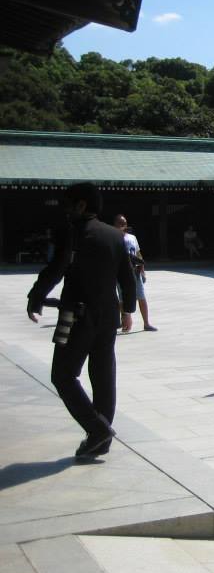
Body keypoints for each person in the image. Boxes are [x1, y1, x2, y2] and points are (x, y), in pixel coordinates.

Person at [27, 182, 137, 461]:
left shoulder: (71, 232)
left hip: (74, 314)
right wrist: (128, 310)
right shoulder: (115, 235)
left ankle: (97, 429)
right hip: (108, 314)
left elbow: (57, 267)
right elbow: (127, 276)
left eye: (67, 204)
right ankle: (100, 439)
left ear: (80, 205)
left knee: (62, 375)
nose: (65, 210)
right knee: (103, 374)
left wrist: (36, 296)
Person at [113, 214, 157, 332]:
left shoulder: (132, 237)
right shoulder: (114, 238)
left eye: (125, 223)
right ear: (115, 225)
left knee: (141, 296)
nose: (123, 225)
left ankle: (146, 323)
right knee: (123, 298)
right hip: (122, 272)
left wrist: (142, 271)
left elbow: (138, 254)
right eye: (120, 223)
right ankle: (126, 322)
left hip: (135, 271)